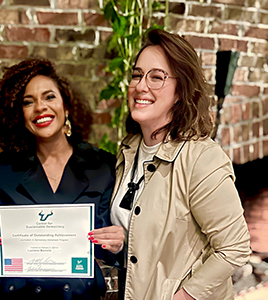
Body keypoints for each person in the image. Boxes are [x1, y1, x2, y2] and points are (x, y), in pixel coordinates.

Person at [105, 28, 251, 300]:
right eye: (137, 75)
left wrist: (183, 296)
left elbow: (234, 246)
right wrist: (121, 242)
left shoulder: (201, 158)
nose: (141, 86)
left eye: (157, 77)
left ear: (180, 91)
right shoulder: (128, 150)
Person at [0, 58, 124, 299]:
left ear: (66, 106)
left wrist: (117, 243)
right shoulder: (5, 167)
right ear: (20, 115)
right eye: (29, 102)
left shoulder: (102, 166)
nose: (40, 107)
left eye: (49, 97)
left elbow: (109, 244)